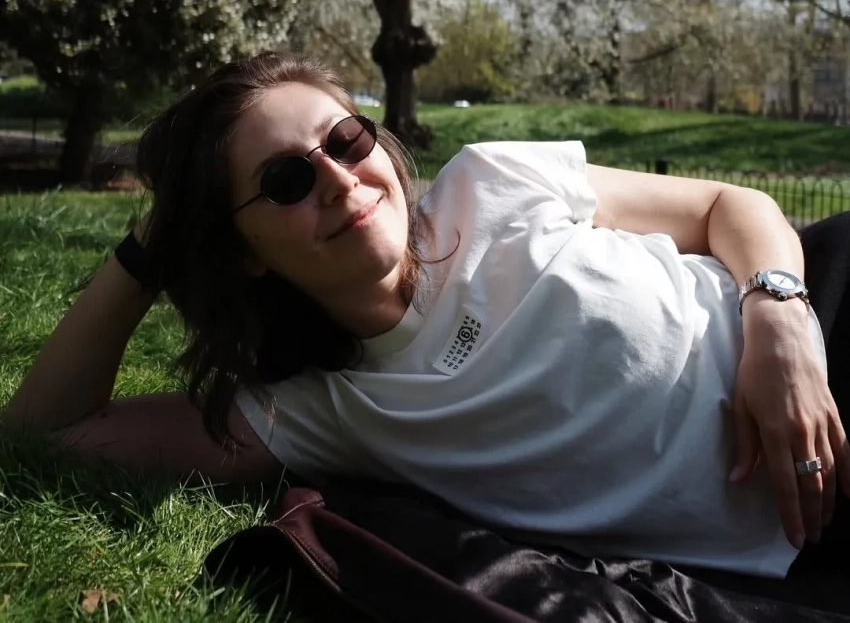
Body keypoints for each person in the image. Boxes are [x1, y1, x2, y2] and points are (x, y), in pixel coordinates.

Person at [3, 52, 850, 584]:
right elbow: (48, 432)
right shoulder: (319, 407)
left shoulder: (493, 181)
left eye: (346, 139)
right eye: (288, 181)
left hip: (819, 319)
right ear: (244, 249)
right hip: (806, 523)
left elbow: (729, 204)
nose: (340, 180)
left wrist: (781, 322)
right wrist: (151, 248)